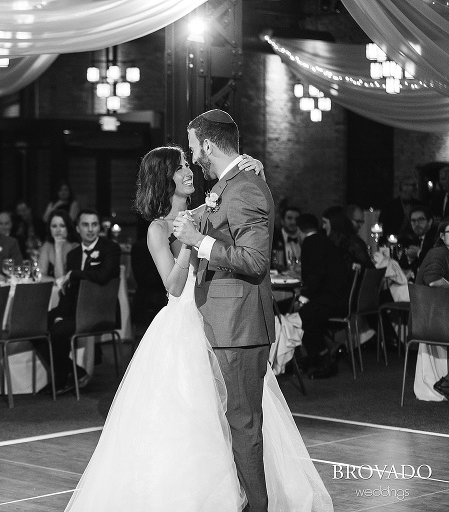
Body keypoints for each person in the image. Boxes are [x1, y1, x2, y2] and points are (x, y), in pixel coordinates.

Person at [66, 145, 332, 511]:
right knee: (192, 418)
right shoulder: (158, 230)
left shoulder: (207, 207)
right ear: (164, 178)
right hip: (183, 327)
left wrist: (253, 170)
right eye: (180, 168)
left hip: (221, 319)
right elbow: (173, 287)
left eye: (188, 164)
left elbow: (241, 214)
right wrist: (189, 243)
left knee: (237, 414)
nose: (189, 171)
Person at [172, 110, 279, 512]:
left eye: (193, 144)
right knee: (232, 421)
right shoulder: (229, 185)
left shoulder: (245, 187)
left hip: (239, 325)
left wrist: (200, 242)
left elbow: (254, 260)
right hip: (222, 322)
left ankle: (257, 507)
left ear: (209, 145)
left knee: (243, 422)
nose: (193, 153)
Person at [42, 209, 121, 395]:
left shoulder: (110, 249)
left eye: (94, 224)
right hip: (74, 310)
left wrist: (74, 274)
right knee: (33, 325)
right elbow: (69, 292)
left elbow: (103, 276)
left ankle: (61, 380)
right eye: (85, 225)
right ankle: (76, 372)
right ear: (77, 228)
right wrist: (60, 314)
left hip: (99, 311)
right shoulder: (74, 255)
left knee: (58, 332)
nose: (90, 229)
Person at [296, 213, 349, 379]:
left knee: (302, 315)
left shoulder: (311, 242)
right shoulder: (324, 241)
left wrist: (303, 298)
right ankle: (316, 355)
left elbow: (315, 275)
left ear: (299, 231)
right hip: (339, 297)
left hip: (332, 300)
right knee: (304, 312)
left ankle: (324, 356)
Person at [414, 220, 449, 400]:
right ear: (442, 236)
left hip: (438, 314)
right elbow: (434, 280)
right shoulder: (439, 253)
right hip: (430, 319)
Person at [37, 209, 79, 279]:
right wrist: (55, 281)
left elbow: (61, 279)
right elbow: (40, 276)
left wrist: (58, 249)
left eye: (62, 226)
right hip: (52, 289)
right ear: (49, 228)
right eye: (54, 226)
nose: (58, 230)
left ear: (68, 227)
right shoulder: (47, 246)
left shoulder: (75, 247)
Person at [398, 205, 438, 278]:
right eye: (413, 221)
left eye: (421, 220)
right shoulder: (415, 239)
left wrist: (418, 253)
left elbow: (434, 261)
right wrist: (410, 258)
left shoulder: (436, 238)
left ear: (430, 222)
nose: (416, 224)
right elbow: (402, 264)